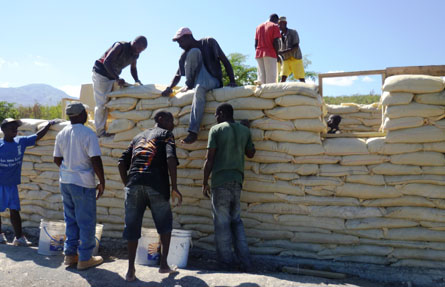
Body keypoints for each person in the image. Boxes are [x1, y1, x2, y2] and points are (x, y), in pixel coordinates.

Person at [118, 110, 183, 281]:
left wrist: (128, 184)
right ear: (160, 119)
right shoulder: (166, 135)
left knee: (132, 227)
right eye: (171, 120)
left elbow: (121, 162)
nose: (173, 124)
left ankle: (130, 270)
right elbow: (170, 158)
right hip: (157, 186)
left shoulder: (138, 136)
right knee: (165, 225)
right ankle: (163, 265)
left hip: (134, 185)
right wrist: (174, 187)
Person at [202, 103, 256, 272]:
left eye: (216, 115)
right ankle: (245, 262)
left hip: (220, 182)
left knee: (222, 224)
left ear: (222, 113)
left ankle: (226, 263)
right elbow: (251, 153)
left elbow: (209, 159)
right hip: (237, 182)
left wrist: (204, 181)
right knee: (236, 222)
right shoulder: (244, 131)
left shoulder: (216, 130)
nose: (215, 118)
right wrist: (247, 130)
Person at [161, 27, 237, 144]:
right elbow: (178, 75)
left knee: (200, 86)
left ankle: (193, 132)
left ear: (188, 37)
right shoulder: (184, 55)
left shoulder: (208, 42)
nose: (180, 45)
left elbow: (224, 61)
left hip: (212, 80)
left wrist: (232, 80)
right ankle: (190, 84)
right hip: (197, 82)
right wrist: (169, 88)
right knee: (193, 54)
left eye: (181, 41)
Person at [53, 102, 105, 270]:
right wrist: (102, 181)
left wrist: (68, 168)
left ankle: (70, 255)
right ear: (82, 114)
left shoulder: (61, 134)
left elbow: (56, 159)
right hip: (83, 183)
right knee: (86, 222)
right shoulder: (88, 133)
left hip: (65, 183)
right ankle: (85, 258)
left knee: (71, 220)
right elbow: (95, 159)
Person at [0, 118, 54, 246]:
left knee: (14, 210)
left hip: (12, 185)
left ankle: (18, 238)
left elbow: (37, 136)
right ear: (3, 130)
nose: (15, 129)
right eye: (11, 127)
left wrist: (49, 125)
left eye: (16, 126)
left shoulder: (20, 142)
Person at [92, 36, 147, 137]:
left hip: (112, 76)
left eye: (141, 51)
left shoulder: (135, 55)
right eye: (138, 48)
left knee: (114, 103)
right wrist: (117, 78)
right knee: (102, 104)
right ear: (134, 43)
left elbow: (133, 68)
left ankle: (112, 128)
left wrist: (137, 81)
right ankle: (100, 132)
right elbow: (107, 61)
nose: (138, 52)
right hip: (101, 74)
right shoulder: (120, 46)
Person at [277, 16, 306, 83]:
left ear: (285, 23)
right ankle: (281, 91)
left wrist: (283, 52)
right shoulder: (279, 36)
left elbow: (296, 46)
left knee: (301, 77)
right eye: (278, 24)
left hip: (295, 58)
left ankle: (304, 91)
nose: (279, 26)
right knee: (283, 76)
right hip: (286, 59)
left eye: (280, 24)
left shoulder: (293, 32)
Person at [255, 14, 281, 84]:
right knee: (271, 78)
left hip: (259, 53)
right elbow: (276, 41)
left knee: (261, 78)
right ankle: (270, 94)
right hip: (270, 53)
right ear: (276, 20)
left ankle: (260, 93)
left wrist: (258, 52)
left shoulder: (259, 27)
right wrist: (277, 54)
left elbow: (256, 43)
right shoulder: (274, 26)